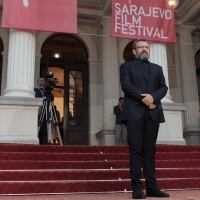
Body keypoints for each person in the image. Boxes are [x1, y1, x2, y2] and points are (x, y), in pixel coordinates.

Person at [120, 38, 169, 199]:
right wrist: (145, 99)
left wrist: (153, 98)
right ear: (134, 51)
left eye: (146, 47)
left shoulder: (157, 68)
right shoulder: (126, 66)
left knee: (150, 152)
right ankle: (136, 187)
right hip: (134, 113)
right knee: (136, 150)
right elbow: (126, 86)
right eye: (141, 47)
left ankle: (152, 187)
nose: (144, 49)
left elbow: (163, 87)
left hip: (153, 113)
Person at [34, 77, 48, 145]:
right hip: (38, 111)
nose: (42, 81)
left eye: (43, 80)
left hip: (45, 112)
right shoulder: (35, 90)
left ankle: (45, 142)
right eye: (40, 80)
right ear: (37, 82)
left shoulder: (47, 92)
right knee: (37, 126)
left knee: (45, 128)